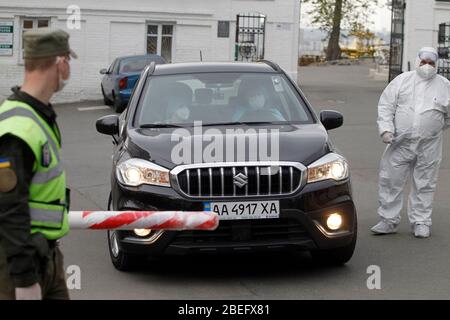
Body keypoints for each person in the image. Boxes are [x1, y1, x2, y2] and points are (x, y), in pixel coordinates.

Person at [0, 27, 76, 299]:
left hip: (46, 256)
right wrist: (24, 280)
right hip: (18, 264)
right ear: (60, 62)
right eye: (68, 61)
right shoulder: (17, 127)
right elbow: (8, 207)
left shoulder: (36, 116)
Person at [371, 47, 450, 238]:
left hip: (429, 144)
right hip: (400, 142)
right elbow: (386, 106)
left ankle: (421, 221)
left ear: (437, 64)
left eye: (431, 63)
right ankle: (388, 220)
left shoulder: (444, 85)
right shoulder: (402, 81)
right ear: (417, 61)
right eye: (424, 62)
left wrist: (433, 128)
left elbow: (448, 117)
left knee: (425, 183)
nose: (427, 66)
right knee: (391, 180)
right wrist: (386, 129)